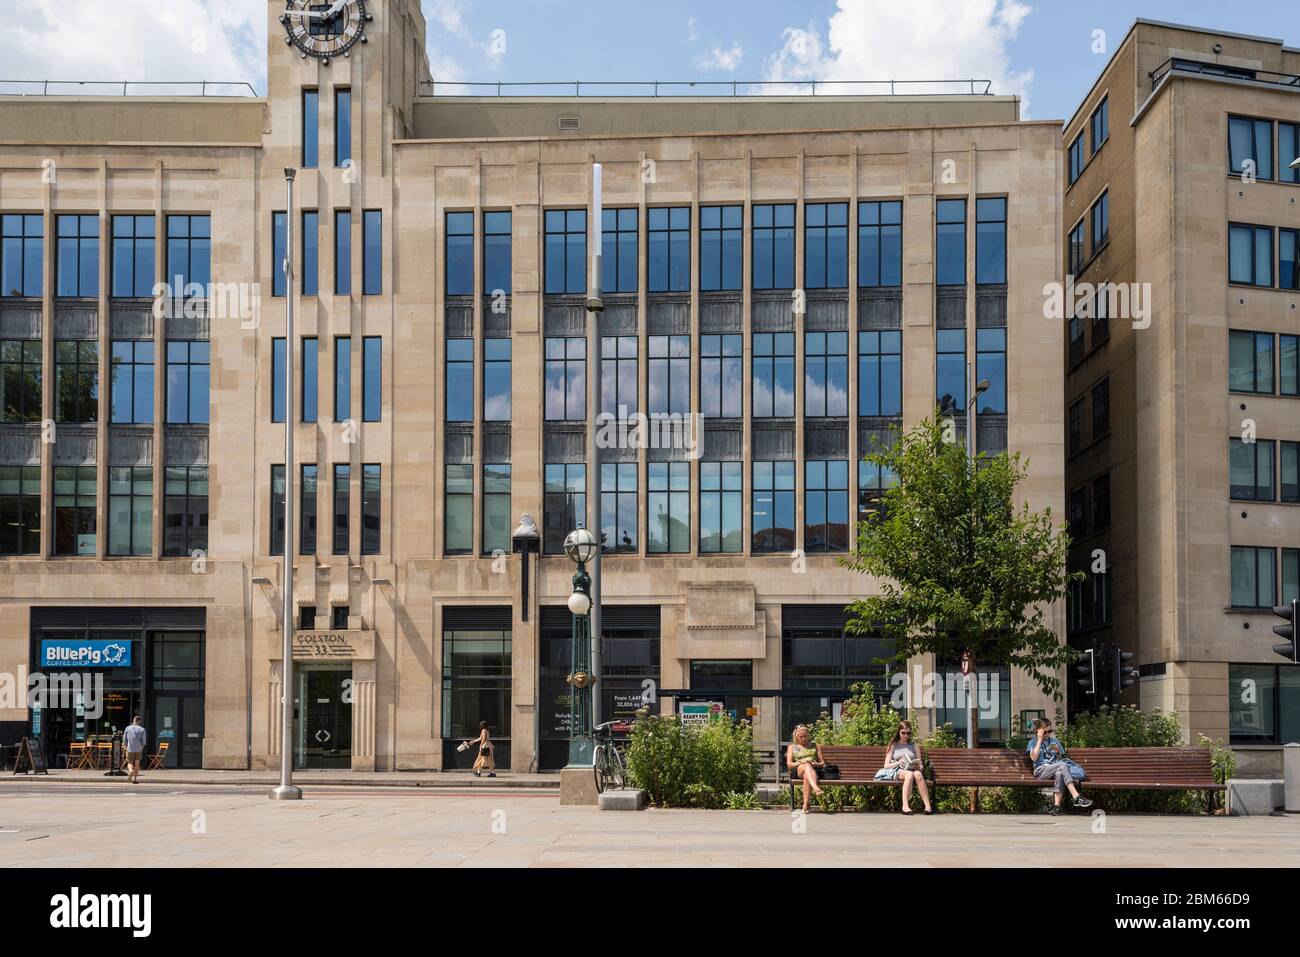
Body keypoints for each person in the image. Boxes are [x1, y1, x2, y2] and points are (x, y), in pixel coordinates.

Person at [1027, 718, 1092, 814]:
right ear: (1038, 731)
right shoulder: (1033, 742)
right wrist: (1039, 741)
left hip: (1055, 768)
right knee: (1062, 766)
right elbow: (1034, 758)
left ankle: (1056, 807)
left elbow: (1064, 757)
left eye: (1050, 731)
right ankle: (1076, 796)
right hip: (1040, 770)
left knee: (1060, 773)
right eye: (1045, 732)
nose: (1048, 734)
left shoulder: (1054, 741)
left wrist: (1058, 752)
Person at [875, 720, 933, 814]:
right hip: (898, 770)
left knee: (918, 775)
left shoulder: (914, 745)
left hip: (912, 768)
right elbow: (886, 765)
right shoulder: (893, 745)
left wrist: (919, 766)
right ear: (899, 732)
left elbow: (921, 764)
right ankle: (905, 806)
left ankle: (928, 807)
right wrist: (898, 763)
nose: (906, 735)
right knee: (909, 774)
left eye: (908, 733)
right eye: (903, 733)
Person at [785, 725, 824, 813]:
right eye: (801, 737)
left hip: (814, 770)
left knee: (807, 774)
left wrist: (815, 763)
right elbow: (789, 764)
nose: (803, 738)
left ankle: (805, 805)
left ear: (808, 735)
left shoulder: (815, 746)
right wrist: (801, 762)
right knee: (806, 765)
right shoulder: (792, 747)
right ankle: (816, 788)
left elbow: (822, 763)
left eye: (805, 736)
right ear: (796, 736)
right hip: (798, 769)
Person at [123, 716, 147, 784]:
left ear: (133, 720)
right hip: (138, 749)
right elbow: (144, 742)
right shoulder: (142, 729)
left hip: (130, 748)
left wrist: (125, 746)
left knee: (129, 762)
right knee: (137, 764)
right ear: (139, 721)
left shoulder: (127, 728)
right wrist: (141, 748)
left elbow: (124, 739)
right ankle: (135, 779)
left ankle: (131, 771)